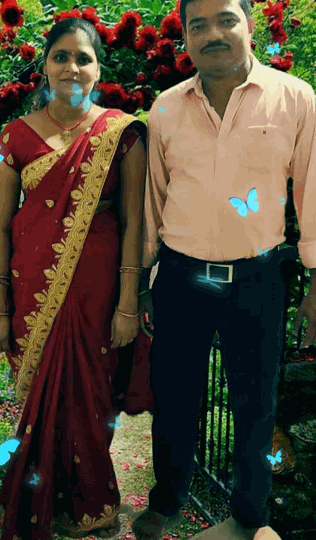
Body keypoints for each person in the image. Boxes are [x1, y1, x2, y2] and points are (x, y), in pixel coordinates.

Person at [132, 0, 316, 538]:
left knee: (256, 403)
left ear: (250, 25)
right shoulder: (166, 108)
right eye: (199, 25)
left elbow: (311, 194)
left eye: (226, 19)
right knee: (174, 397)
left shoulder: (295, 98)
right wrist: (143, 281)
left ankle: (251, 514)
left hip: (258, 279)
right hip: (181, 277)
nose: (213, 33)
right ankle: (167, 500)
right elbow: (153, 202)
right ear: (186, 37)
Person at [0, 16, 156, 540]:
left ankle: (93, 504)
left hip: (100, 291)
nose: (72, 67)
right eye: (61, 56)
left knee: (91, 394)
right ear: (44, 66)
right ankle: (44, 501)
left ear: (99, 69)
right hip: (32, 289)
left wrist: (128, 304)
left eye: (84, 58)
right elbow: (0, 228)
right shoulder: (14, 136)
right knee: (46, 396)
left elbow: (133, 223)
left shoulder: (122, 133)